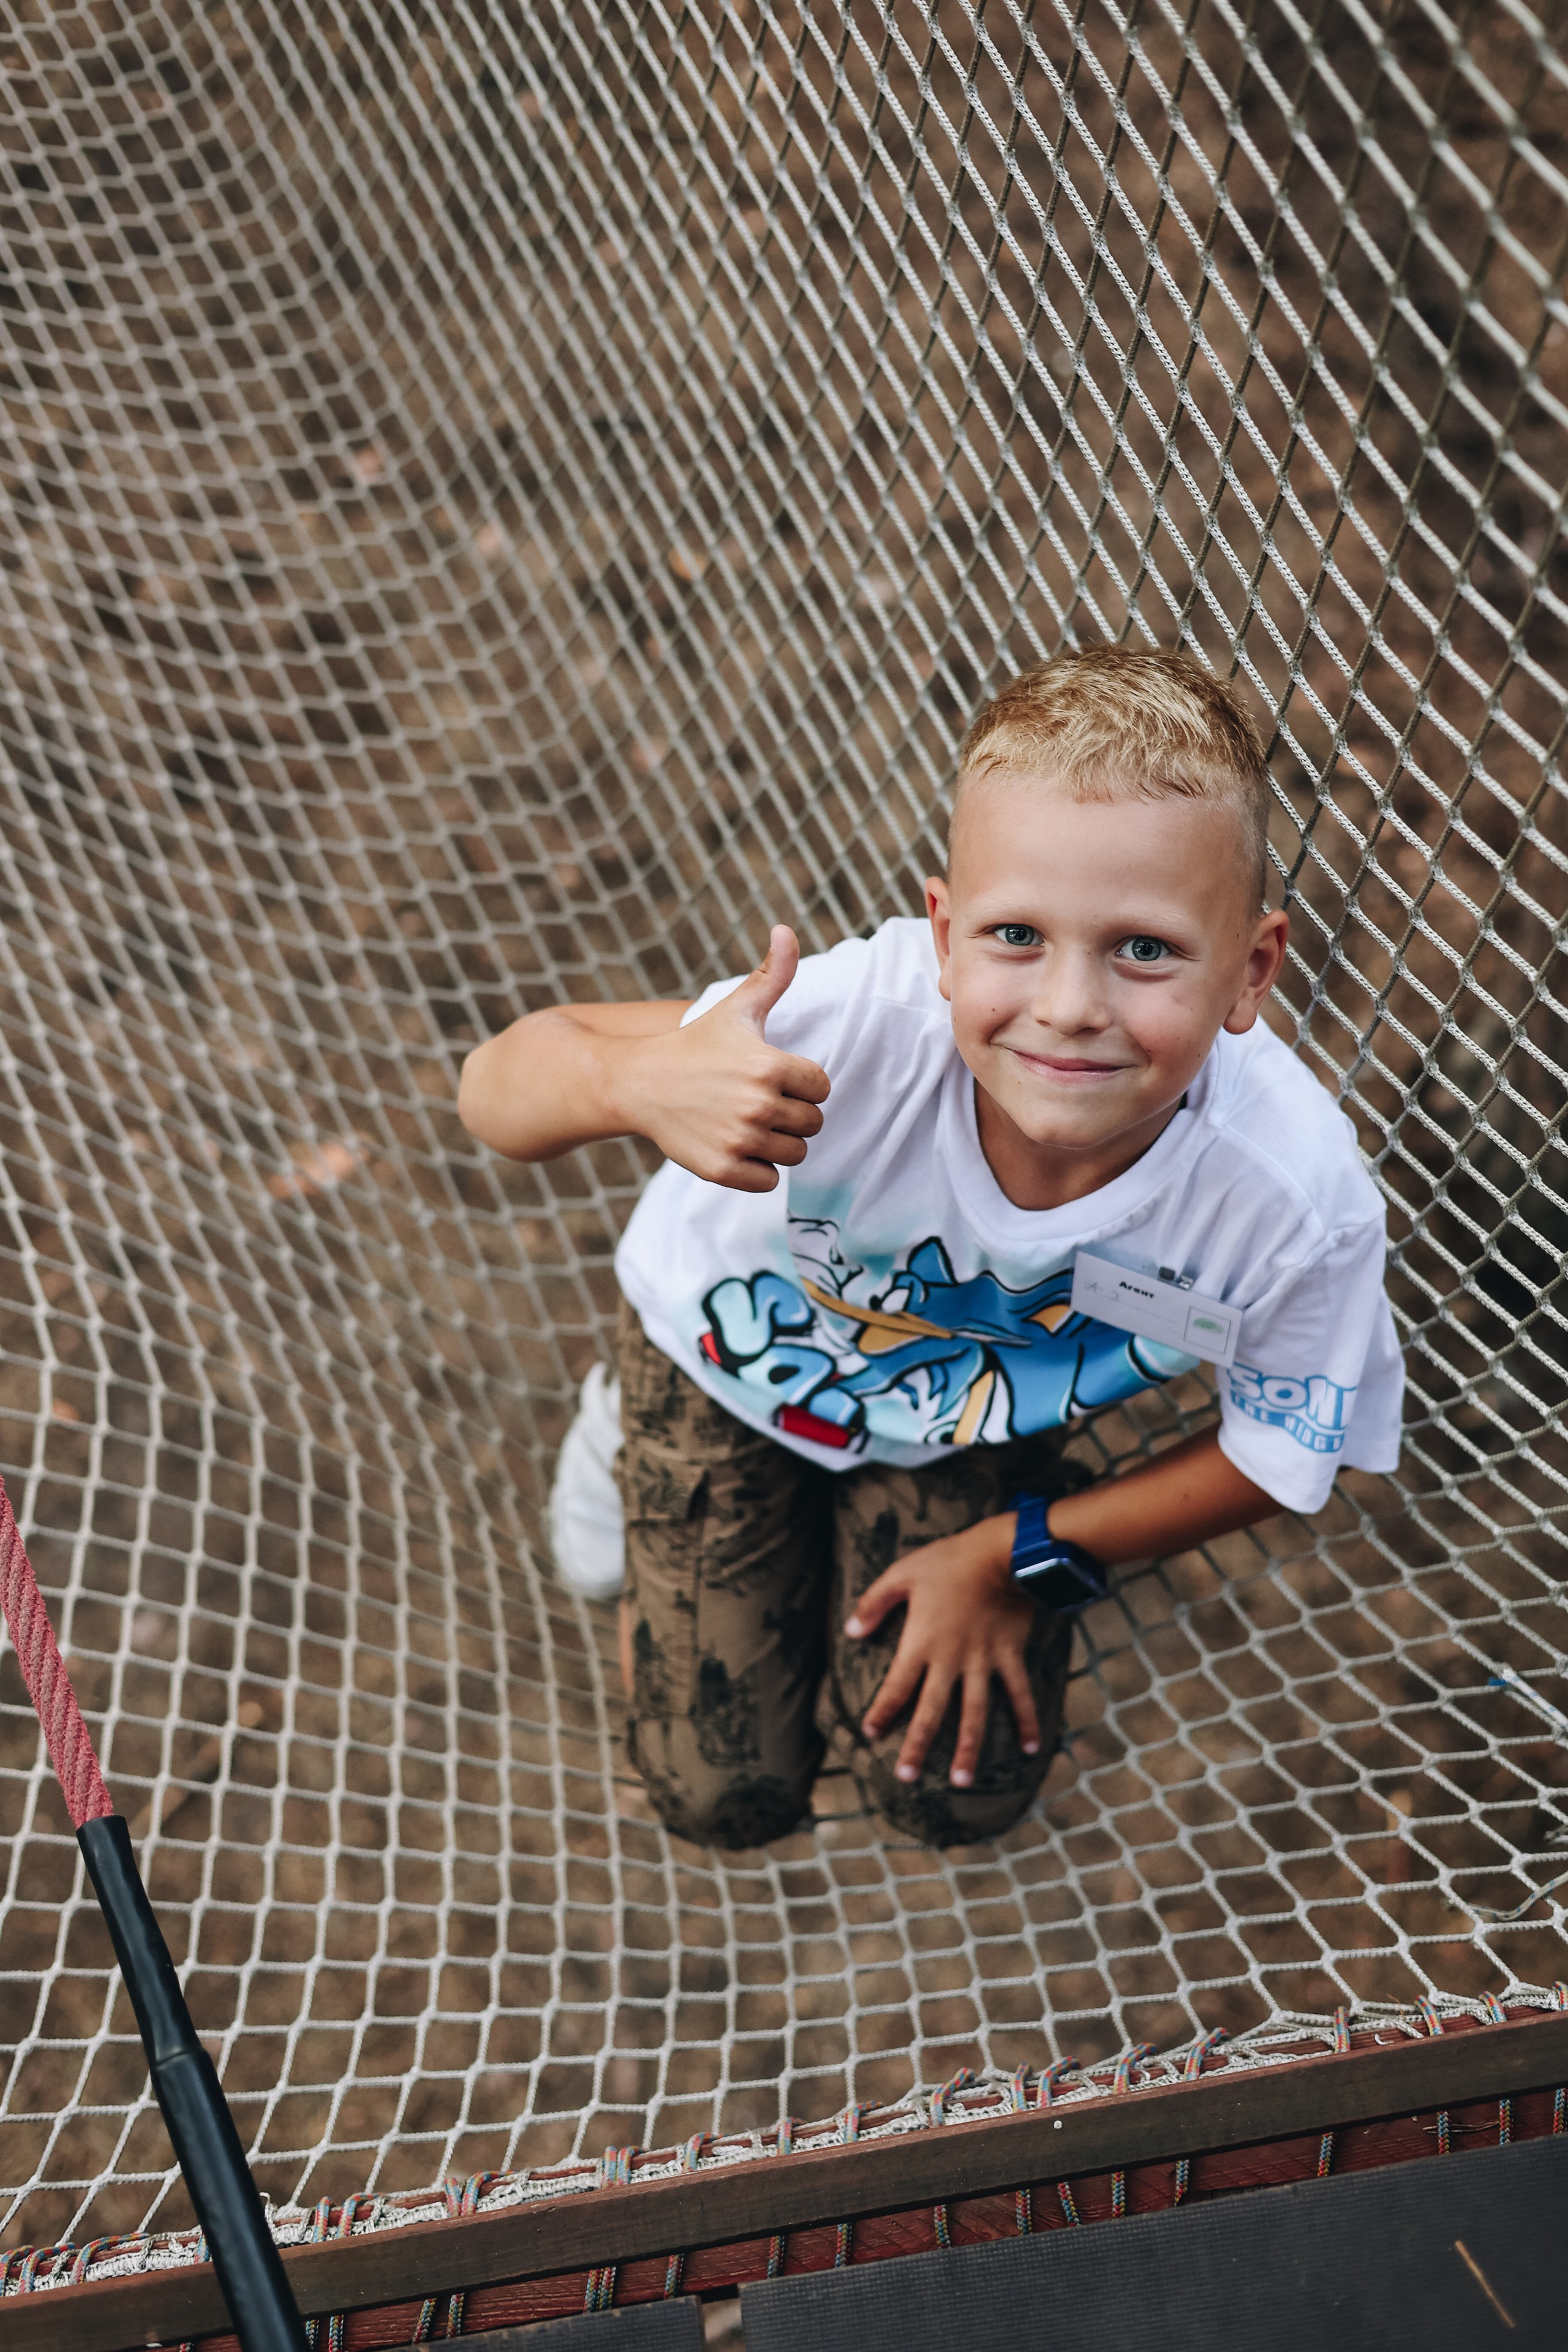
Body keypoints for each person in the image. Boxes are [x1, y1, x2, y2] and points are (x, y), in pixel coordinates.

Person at [458, 646, 1403, 1850]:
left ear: (1248, 971)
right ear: (943, 936)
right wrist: (634, 1081)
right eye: (1015, 935)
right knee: (719, 1795)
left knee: (953, 1795)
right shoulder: (854, 1026)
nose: (1067, 1005)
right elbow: (497, 1084)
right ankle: (623, 1422)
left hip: (959, 1410)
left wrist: (1022, 1556)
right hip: (723, 1348)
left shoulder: (1291, 1202)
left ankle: (931, 1537)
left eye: (1145, 950)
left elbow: (1279, 1449)